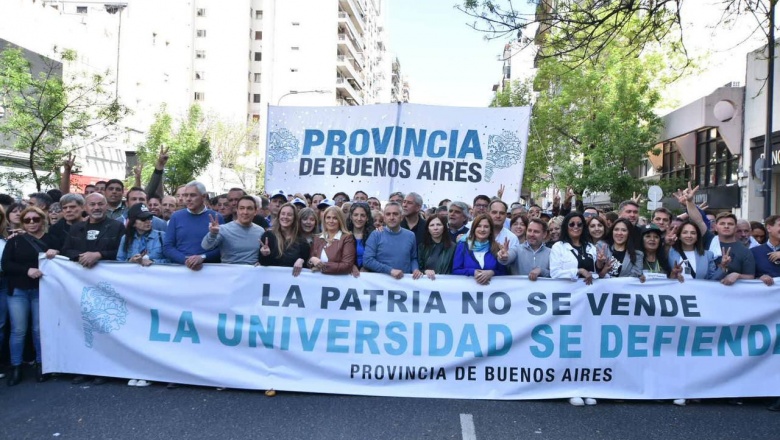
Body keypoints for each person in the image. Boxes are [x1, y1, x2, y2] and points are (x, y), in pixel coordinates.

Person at [549, 212, 606, 406]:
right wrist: (578, 271)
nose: (575, 227)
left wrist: (599, 264)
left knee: (588, 345)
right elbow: (555, 273)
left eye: (579, 224)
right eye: (571, 224)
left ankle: (588, 386)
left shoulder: (591, 247)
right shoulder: (558, 247)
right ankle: (569, 387)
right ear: (566, 226)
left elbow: (597, 274)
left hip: (589, 304)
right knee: (568, 345)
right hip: (568, 303)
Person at [1, 206, 56, 385]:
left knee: (39, 330)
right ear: (22, 222)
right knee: (18, 330)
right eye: (27, 220)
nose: (32, 223)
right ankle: (16, 367)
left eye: (36, 219)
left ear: (42, 220)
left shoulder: (51, 240)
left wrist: (56, 253)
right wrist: (27, 270)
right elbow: (6, 264)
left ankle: (41, 364)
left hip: (42, 290)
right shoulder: (15, 240)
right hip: (18, 291)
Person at [163, 181, 223, 272]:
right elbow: (167, 247)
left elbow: (223, 248)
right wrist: (185, 260)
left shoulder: (216, 217)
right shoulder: (176, 217)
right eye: (186, 195)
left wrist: (203, 257)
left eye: (192, 195)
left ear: (203, 196)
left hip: (209, 270)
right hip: (181, 270)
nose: (188, 199)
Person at [59, 193, 125, 268]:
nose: (96, 207)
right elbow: (66, 250)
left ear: (106, 206)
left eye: (100, 204)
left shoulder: (117, 226)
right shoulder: (75, 228)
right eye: (92, 204)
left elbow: (122, 252)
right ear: (85, 208)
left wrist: (99, 254)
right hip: (79, 274)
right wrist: (80, 257)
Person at [201, 196, 265, 265]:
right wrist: (212, 234)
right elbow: (206, 246)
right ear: (237, 210)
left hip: (253, 274)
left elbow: (263, 254)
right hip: (230, 274)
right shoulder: (224, 229)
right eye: (242, 208)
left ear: (255, 212)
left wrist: (262, 262)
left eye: (249, 208)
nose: (245, 212)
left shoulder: (260, 231)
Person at [363, 202, 418, 278]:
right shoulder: (376, 235)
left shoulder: (410, 235)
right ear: (384, 218)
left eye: (395, 214)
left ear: (401, 217)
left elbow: (413, 258)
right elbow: (367, 260)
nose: (391, 217)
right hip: (380, 284)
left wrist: (415, 269)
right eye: (388, 214)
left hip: (405, 284)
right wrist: (390, 271)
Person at [452, 214, 506, 284]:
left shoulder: (496, 247)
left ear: (491, 230)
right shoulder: (463, 245)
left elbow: (503, 272)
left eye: (486, 227)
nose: (482, 229)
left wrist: (492, 272)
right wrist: (473, 272)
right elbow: (455, 270)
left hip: (491, 292)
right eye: (479, 226)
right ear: (474, 229)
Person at [259, 203, 311, 275]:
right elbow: (262, 264)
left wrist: (302, 261)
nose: (285, 217)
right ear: (279, 216)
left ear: (294, 218)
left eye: (289, 215)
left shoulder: (302, 241)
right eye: (283, 214)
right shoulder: (268, 236)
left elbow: (307, 268)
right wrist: (264, 255)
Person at [710, 213, 755, 286]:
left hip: (735, 295)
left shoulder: (745, 251)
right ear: (715, 227)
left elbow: (750, 276)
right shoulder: (708, 243)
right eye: (722, 224)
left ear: (736, 228)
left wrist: (737, 275)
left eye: (730, 224)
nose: (726, 226)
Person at [308, 207, 356, 275]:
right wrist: (311, 260)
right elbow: (310, 262)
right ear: (324, 220)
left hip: (337, 282)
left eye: (335, 218)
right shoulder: (317, 238)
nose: (331, 221)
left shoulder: (347, 238)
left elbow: (347, 265)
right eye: (328, 217)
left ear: (340, 220)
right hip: (317, 282)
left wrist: (323, 266)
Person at [414, 215, 455, 279]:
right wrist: (425, 271)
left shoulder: (453, 247)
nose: (435, 228)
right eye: (432, 225)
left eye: (438, 224)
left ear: (444, 227)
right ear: (428, 228)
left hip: (447, 283)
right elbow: (418, 267)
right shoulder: (422, 247)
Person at [347, 202, 374, 276]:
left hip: (370, 275)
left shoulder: (374, 235)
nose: (359, 219)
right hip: (348, 275)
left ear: (367, 218)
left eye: (362, 215)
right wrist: (350, 265)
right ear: (350, 217)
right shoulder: (343, 234)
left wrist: (367, 267)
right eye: (355, 215)